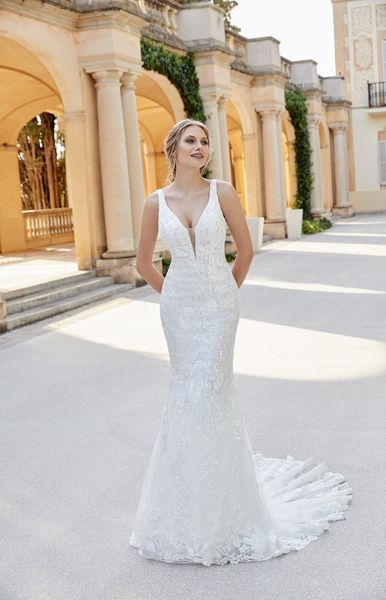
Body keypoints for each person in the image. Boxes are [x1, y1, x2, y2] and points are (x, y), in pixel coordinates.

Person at [130, 118, 352, 566]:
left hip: (218, 309)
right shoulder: (156, 202)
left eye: (205, 141)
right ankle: (183, 508)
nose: (200, 147)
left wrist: (224, 292)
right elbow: (142, 261)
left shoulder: (222, 192)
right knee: (185, 399)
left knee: (211, 393)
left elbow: (245, 250)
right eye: (190, 141)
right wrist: (173, 293)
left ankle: (226, 509)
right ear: (173, 150)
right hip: (179, 313)